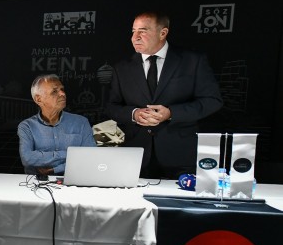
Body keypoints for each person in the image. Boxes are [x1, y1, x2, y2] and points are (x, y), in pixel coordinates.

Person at [106, 11, 223, 178]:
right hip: (136, 157)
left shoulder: (192, 61)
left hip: (181, 156)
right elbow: (111, 107)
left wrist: (171, 113)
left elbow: (212, 101)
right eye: (133, 31)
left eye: (143, 31)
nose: (135, 37)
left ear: (163, 33)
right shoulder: (122, 68)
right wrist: (134, 114)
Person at [18, 74, 97, 175]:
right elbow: (27, 158)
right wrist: (72, 154)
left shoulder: (81, 122)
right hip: (37, 182)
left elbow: (91, 157)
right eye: (54, 91)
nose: (62, 93)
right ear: (38, 99)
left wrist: (56, 169)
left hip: (74, 181)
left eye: (62, 89)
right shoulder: (27, 126)